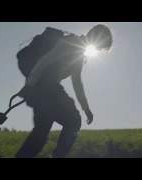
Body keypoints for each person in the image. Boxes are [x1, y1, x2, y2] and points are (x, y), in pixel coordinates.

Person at [14, 24, 113, 158]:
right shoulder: (71, 43)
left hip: (43, 89)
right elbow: (46, 60)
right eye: (101, 46)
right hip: (45, 88)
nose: (99, 49)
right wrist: (30, 84)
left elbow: (77, 83)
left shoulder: (79, 53)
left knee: (41, 132)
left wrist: (85, 107)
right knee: (73, 121)